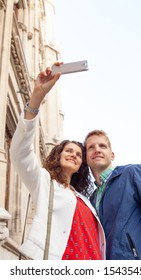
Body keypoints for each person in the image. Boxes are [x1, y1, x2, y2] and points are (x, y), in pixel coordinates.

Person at [10, 62, 106, 260]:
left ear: (81, 166)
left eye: (79, 155)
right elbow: (20, 152)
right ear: (58, 155)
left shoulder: (84, 199)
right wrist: (37, 97)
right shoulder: (44, 181)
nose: (74, 155)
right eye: (69, 151)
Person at [84, 129, 141, 260]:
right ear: (85, 158)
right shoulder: (91, 200)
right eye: (91, 147)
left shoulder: (135, 173)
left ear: (112, 155)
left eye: (102, 146)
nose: (97, 149)